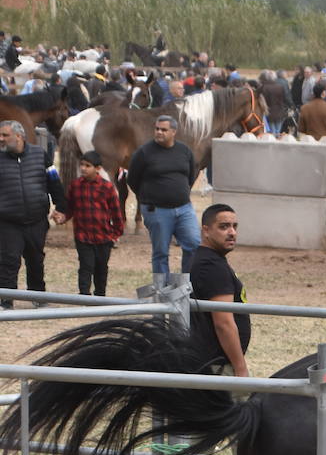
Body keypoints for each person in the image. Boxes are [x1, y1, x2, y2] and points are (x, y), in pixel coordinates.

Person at [187, 204, 250, 455]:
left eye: (235, 225)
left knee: (206, 428)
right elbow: (224, 321)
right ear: (206, 230)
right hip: (219, 362)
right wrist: (239, 367)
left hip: (208, 360)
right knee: (247, 428)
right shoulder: (212, 266)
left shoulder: (210, 262)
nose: (232, 232)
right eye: (224, 226)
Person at [0, 120, 65, 309]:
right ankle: (5, 300)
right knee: (8, 261)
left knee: (36, 259)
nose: (1, 139)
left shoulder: (40, 155)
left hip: (36, 220)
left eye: (5, 135)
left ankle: (38, 296)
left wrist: (61, 207)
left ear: (18, 136)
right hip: (7, 221)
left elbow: (54, 182)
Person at [127, 114, 198, 276]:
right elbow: (132, 179)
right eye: (157, 129)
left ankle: (188, 286)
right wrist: (149, 196)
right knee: (161, 253)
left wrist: (181, 192)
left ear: (173, 132)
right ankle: (162, 291)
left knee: (193, 244)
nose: (159, 132)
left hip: (184, 209)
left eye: (164, 130)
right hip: (157, 210)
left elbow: (191, 176)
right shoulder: (144, 153)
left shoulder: (184, 151)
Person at [59, 150, 123, 297]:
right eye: (81, 165)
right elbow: (70, 208)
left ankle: (100, 296)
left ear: (98, 168)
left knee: (101, 268)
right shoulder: (75, 186)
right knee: (85, 266)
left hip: (103, 236)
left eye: (87, 166)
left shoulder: (106, 187)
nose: (83, 169)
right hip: (82, 235)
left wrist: (115, 233)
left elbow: (116, 212)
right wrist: (63, 218)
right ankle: (84, 296)